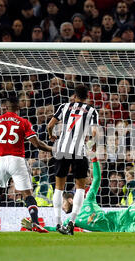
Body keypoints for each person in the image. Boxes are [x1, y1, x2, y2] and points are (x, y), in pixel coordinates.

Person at [22, 156, 135, 233]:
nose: (60, 206)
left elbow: (96, 180)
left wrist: (94, 160)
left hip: (122, 215)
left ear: (71, 199)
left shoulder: (87, 200)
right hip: (120, 229)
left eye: (62, 203)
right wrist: (37, 228)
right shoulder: (70, 221)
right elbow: (55, 229)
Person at [0, 98, 53, 233]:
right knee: (27, 194)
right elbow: (37, 144)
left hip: (0, 160)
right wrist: (52, 150)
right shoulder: (23, 122)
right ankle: (35, 223)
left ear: (5, 107)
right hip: (17, 159)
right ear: (18, 108)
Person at [47, 84, 99, 235]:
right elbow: (95, 131)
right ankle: (72, 222)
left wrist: (51, 135)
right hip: (79, 151)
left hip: (62, 149)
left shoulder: (64, 106)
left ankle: (57, 223)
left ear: (74, 96)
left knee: (59, 187)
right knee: (80, 188)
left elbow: (50, 125)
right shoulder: (91, 110)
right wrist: (93, 143)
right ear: (87, 97)